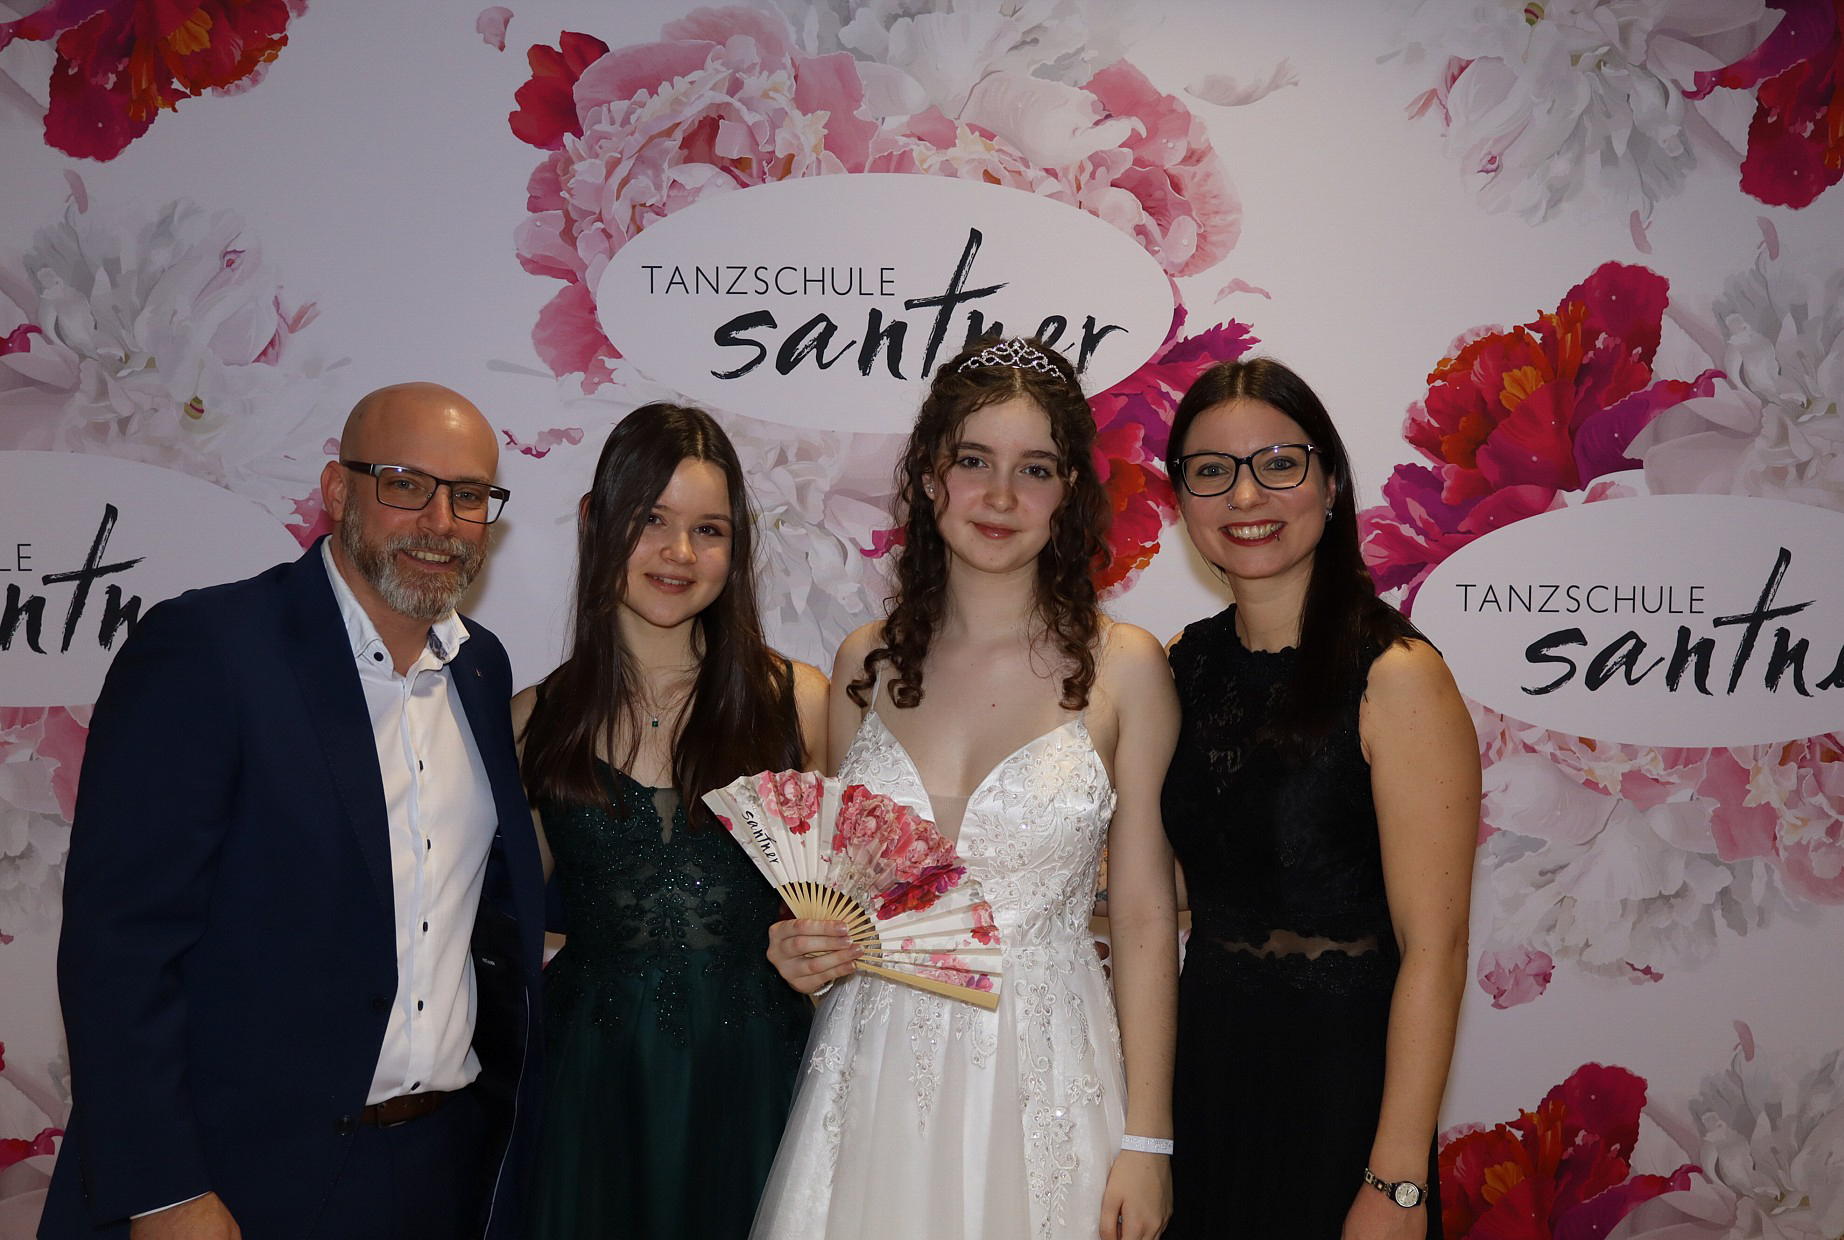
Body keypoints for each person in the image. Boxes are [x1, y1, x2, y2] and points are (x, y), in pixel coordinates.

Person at [40, 383, 546, 1240]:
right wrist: (164, 1192)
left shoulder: (480, 668)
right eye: (405, 484)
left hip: (440, 1168)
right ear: (338, 490)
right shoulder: (211, 649)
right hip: (236, 1178)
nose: (441, 521)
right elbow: (120, 943)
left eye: (469, 495)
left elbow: (480, 903)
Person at [753, 338, 1180, 1240]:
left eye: (1035, 469)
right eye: (973, 461)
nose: (1000, 496)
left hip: (1049, 1083)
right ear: (929, 478)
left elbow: (1144, 917)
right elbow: (840, 897)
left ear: (1069, 490)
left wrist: (1149, 1140)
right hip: (868, 1077)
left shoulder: (1126, 669)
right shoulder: (863, 664)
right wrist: (805, 949)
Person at [1158, 358, 1478, 1239]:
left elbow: (1438, 948)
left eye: (1278, 463)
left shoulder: (1397, 675)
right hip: (1205, 1076)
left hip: (1342, 1097)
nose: (1244, 495)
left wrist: (1396, 1180)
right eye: (1211, 470)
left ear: (1330, 482)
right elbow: (1201, 878)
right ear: (1182, 499)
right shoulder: (1183, 663)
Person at [512, 403, 828, 1240]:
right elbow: (497, 924)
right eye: (651, 519)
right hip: (593, 1091)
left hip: (754, 1078)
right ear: (597, 521)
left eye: (709, 530)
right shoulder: (534, 720)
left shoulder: (799, 703)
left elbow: (857, 908)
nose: (679, 553)